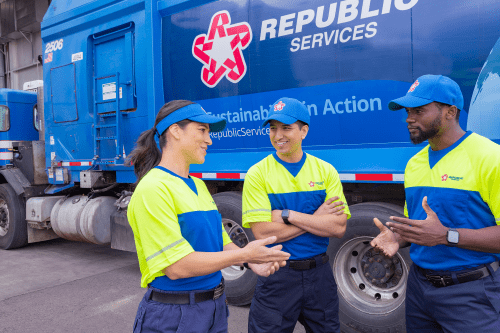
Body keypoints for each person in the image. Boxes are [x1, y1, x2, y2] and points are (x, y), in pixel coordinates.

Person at [126, 100, 290, 333]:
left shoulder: (199, 185)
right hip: (175, 316)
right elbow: (177, 266)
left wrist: (249, 261)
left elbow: (221, 244)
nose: (209, 139)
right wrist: (245, 253)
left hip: (213, 309)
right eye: (202, 130)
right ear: (174, 131)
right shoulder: (153, 189)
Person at [371, 74, 500, 332]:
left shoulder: (489, 158)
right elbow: (420, 227)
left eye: (419, 110)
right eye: (408, 111)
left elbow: (438, 235)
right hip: (419, 289)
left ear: (450, 111)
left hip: (471, 293)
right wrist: (397, 236)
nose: (409, 118)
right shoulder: (414, 164)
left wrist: (446, 236)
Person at [242, 97, 350, 333]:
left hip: (319, 276)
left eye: (286, 128)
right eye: (273, 128)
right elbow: (262, 232)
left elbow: (338, 228)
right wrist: (316, 218)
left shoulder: (325, 170)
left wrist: (288, 215)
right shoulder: (257, 174)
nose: (278, 135)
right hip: (277, 276)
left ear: (304, 131)